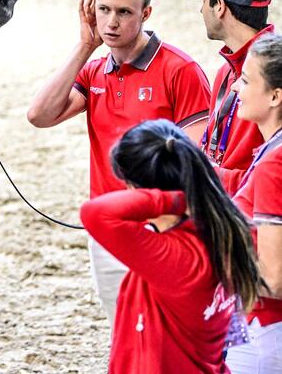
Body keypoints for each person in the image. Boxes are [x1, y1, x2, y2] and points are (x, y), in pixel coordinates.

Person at [27, 0, 211, 328]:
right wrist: (84, 46)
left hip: (164, 230)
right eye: (104, 10)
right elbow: (40, 115)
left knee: (166, 334)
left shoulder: (180, 70)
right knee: (123, 331)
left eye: (124, 12)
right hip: (110, 228)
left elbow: (197, 161)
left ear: (146, 13)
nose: (111, 22)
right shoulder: (94, 71)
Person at [80, 119, 262, 373]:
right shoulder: (220, 228)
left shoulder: (176, 255)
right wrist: (194, 191)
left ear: (134, 188)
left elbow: (95, 213)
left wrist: (176, 199)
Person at [180, 0, 274, 195]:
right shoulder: (226, 71)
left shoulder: (273, 73)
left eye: (203, 0)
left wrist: (204, 174)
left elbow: (272, 177)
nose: (201, 9)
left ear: (219, 6)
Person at [226, 33, 282, 372]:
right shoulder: (272, 152)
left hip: (262, 328)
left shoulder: (274, 163)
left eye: (246, 80)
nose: (235, 88)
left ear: (275, 95)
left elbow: (274, 280)